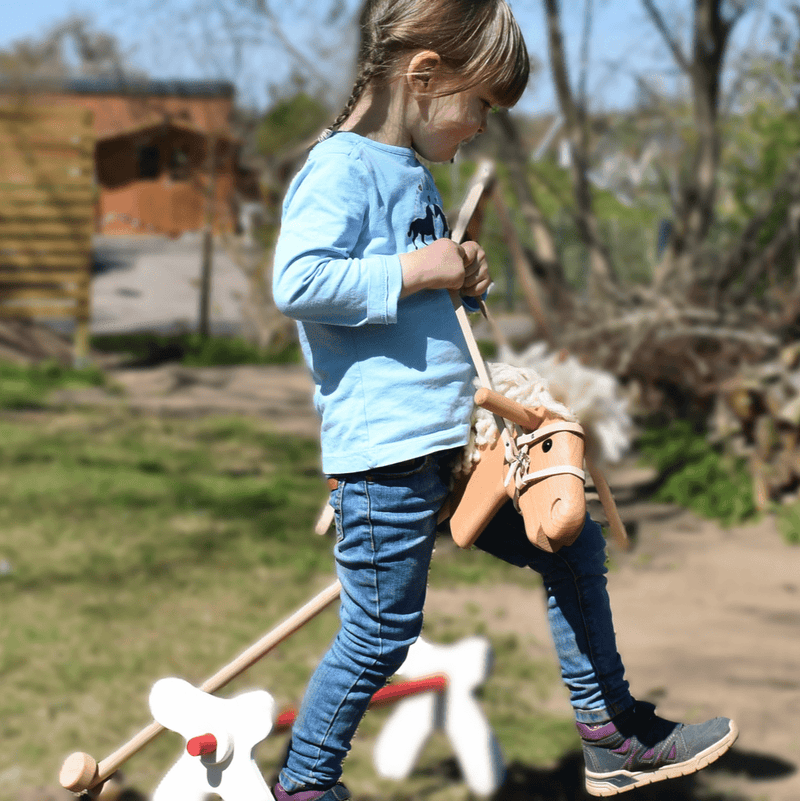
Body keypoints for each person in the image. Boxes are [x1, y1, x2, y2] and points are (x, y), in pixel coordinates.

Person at [271, 0, 738, 797]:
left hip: (451, 443)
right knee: (382, 632)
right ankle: (307, 783)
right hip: (385, 456)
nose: (484, 124)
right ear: (424, 76)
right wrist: (427, 269)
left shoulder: (409, 170)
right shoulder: (340, 167)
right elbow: (298, 280)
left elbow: (416, 290)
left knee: (572, 542)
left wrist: (462, 271)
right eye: (482, 103)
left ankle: (610, 732)